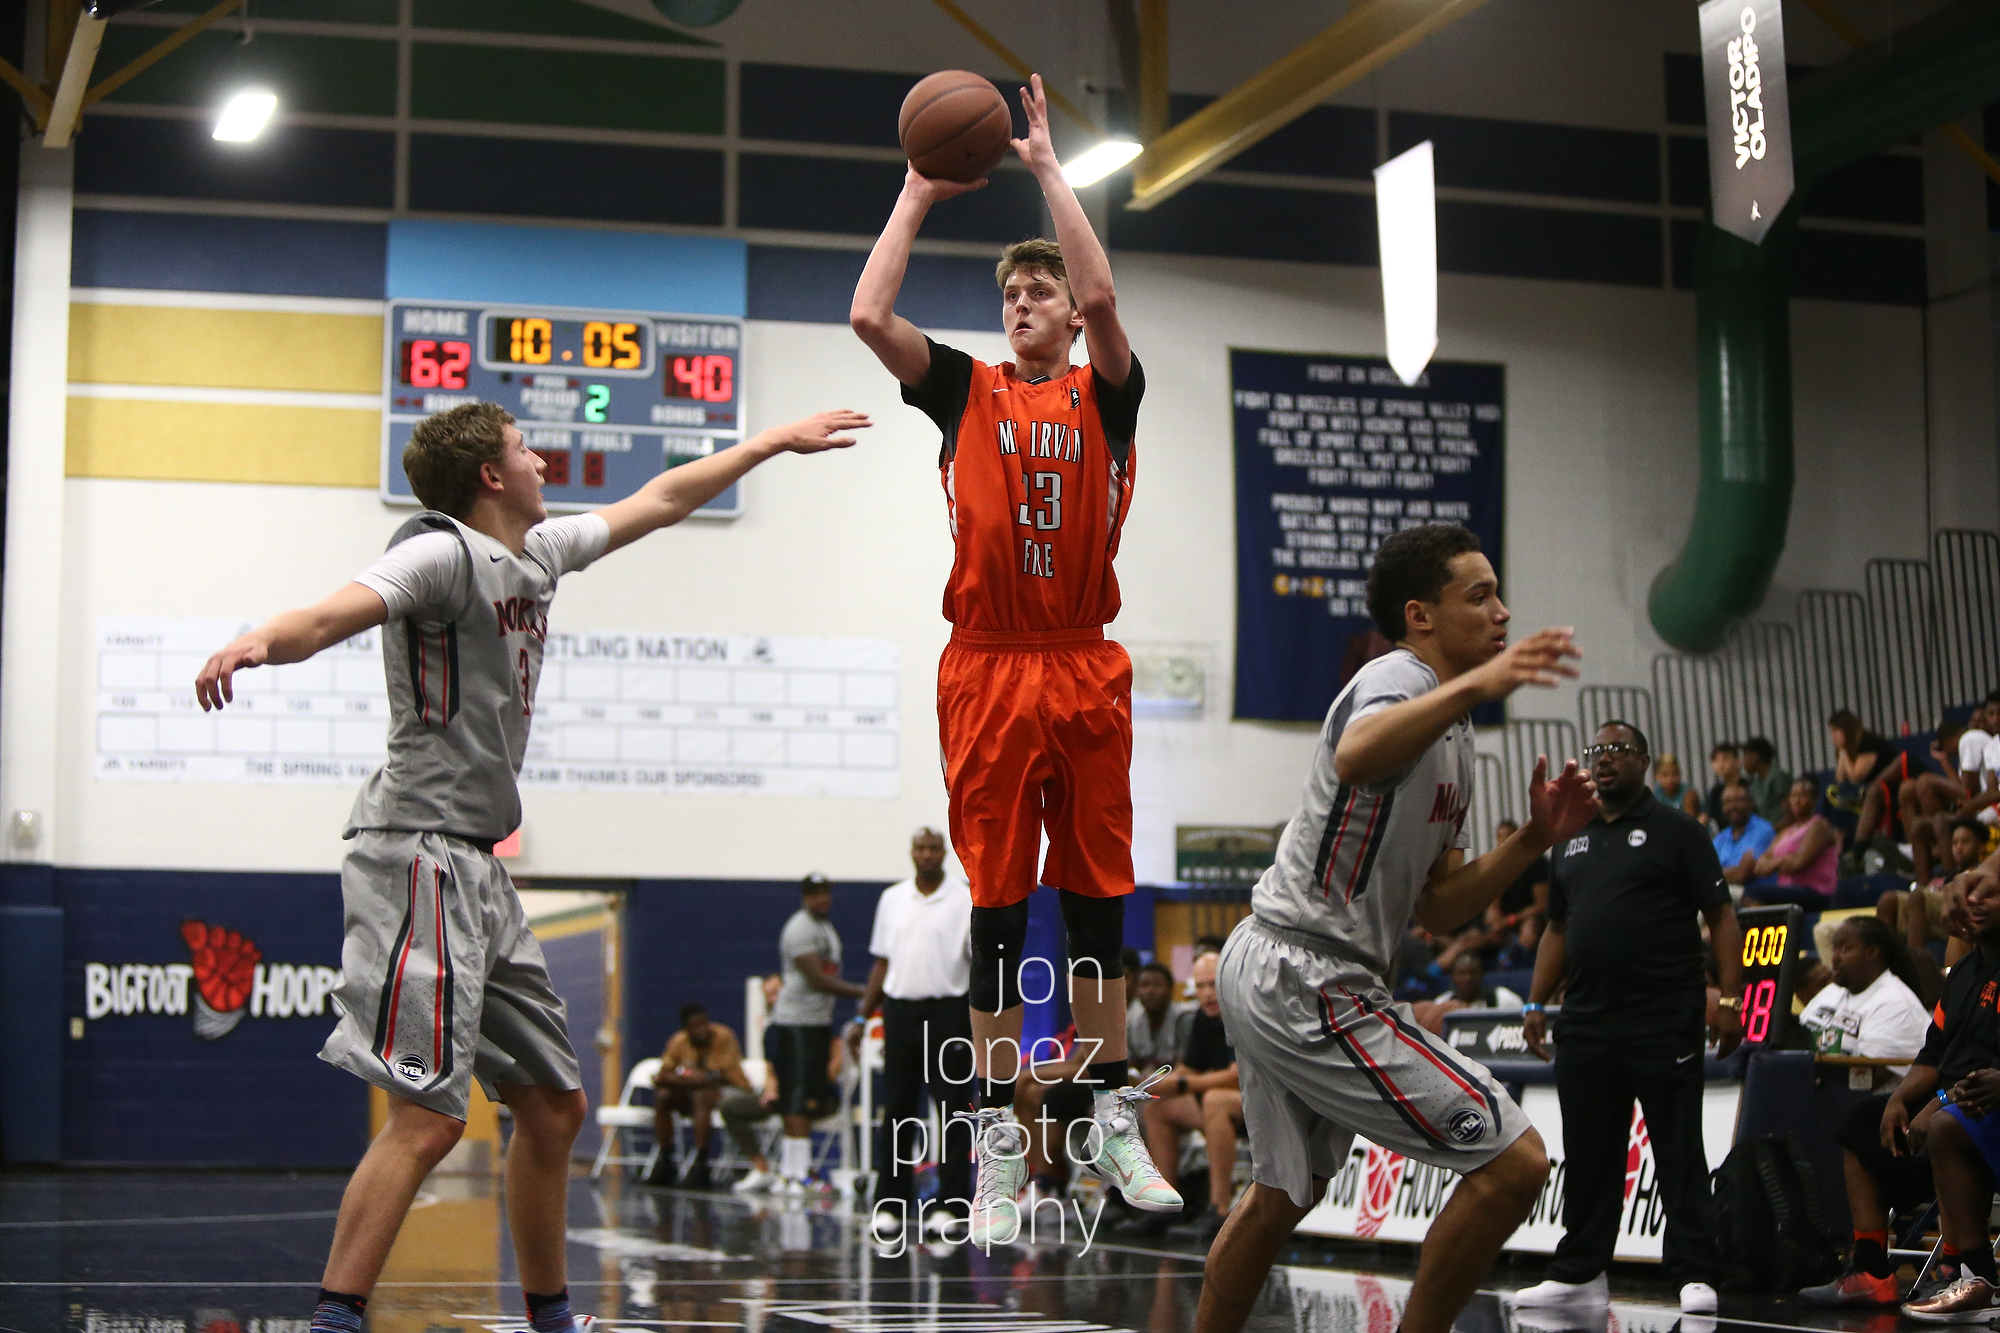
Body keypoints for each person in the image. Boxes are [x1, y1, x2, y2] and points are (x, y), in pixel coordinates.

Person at [191, 399, 864, 1333]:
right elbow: (332, 611)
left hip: (478, 863)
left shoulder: (540, 553)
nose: (540, 455)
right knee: (428, 1119)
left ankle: (552, 1318)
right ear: (491, 479)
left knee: (554, 1104)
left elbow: (662, 499)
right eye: (522, 447)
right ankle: (336, 1319)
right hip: (415, 850)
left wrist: (767, 442)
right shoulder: (439, 553)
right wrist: (263, 639)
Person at [850, 71, 1175, 1246]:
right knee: (997, 915)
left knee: (1095, 910)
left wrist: (1045, 166)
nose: (1028, 303)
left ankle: (1102, 1124)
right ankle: (996, 1141)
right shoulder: (965, 393)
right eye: (1016, 294)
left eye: (1041, 290)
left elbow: (1100, 288)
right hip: (987, 664)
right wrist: (915, 191)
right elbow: (866, 316)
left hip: (1083, 662)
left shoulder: (1110, 397)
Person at [1198, 522, 1598, 1333]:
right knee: (1515, 1162)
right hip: (1305, 972)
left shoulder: (1455, 737)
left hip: (1292, 966)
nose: (1502, 611)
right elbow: (1356, 753)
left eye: (1498, 593)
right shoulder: (1399, 676)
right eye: (1479, 594)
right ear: (1420, 615)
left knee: (1279, 1197)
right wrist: (1475, 688)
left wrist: (1529, 841)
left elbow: (1439, 907)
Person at [1515, 720, 1743, 1316]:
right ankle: (1580, 1271)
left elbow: (1721, 915)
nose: (1605, 759)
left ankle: (1694, 1270)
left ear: (1644, 761)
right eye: (1597, 751)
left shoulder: (1679, 831)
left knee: (1676, 1148)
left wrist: (1733, 998)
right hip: (1587, 1020)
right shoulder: (1572, 836)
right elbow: (1558, 928)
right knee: (1588, 1151)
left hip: (1664, 1017)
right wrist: (1537, 1001)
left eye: (1618, 750)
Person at [1850, 871, 2000, 1319]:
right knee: (1864, 1119)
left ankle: (1973, 1275)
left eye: (1990, 895)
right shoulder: (1962, 974)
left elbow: (1978, 1073)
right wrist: (1900, 1098)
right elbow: (1934, 1051)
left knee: (1950, 1122)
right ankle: (1871, 1272)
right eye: (1970, 895)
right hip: (1958, 1097)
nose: (1975, 902)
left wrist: (1940, 1101)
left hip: (1979, 1102)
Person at [851, 828, 975, 1240]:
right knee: (898, 1110)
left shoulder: (964, 898)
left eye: (934, 848)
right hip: (899, 1012)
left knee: (954, 1110)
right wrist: (861, 1016)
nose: (927, 854)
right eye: (920, 848)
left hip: (950, 1012)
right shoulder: (892, 899)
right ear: (911, 853)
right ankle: (891, 1203)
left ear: (944, 853)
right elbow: (881, 963)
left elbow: (979, 965)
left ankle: (952, 1204)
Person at [1123, 951, 1241, 1242]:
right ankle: (1163, 1205)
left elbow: (1238, 1076)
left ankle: (1219, 1209)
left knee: (1215, 1100)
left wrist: (1184, 1083)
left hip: (1263, 1104)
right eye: (1200, 986)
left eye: (1213, 984)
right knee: (1158, 1106)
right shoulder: (1204, 1016)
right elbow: (1188, 1069)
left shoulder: (1242, 1012)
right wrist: (1153, 1084)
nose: (1207, 994)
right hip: (1224, 1104)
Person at [766, 873, 864, 1194]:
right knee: (795, 1096)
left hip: (817, 1021)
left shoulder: (824, 927)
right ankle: (794, 1171)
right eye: (815, 894)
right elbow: (818, 979)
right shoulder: (800, 929)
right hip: (796, 1023)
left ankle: (795, 1169)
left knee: (809, 1096)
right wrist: (865, 992)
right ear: (805, 896)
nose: (822, 899)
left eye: (826, 893)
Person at [648, 1003, 762, 1189]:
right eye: (696, 1025)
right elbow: (665, 1073)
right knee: (664, 1096)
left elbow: (719, 1076)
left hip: (731, 1090)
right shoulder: (679, 1041)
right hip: (693, 1092)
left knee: (702, 1096)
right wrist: (684, 1078)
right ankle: (665, 1159)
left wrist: (690, 1077)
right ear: (687, 1029)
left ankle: (702, 1161)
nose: (702, 1029)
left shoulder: (723, 1036)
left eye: (704, 1023)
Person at [1745, 777, 1840, 910]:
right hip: (1787, 890)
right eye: (1793, 795)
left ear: (1814, 800)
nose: (1797, 800)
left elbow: (1798, 864)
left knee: (1753, 893)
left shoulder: (1819, 826)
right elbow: (1759, 867)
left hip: (1815, 891)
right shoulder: (1785, 832)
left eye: (1803, 795)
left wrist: (1775, 862)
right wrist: (1786, 860)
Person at [1413, 952, 1523, 1035]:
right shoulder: (1442, 1002)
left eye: (1472, 972)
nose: (1468, 978)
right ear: (1453, 977)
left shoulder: (1503, 998)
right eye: (1462, 973)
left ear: (1482, 974)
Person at [1484, 818, 1549, 956]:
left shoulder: (1536, 863)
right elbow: (1493, 904)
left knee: (1529, 927)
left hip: (1530, 917)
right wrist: (1495, 921)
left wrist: (1510, 920)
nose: (1503, 841)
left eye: (1508, 836)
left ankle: (1518, 958)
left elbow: (1541, 905)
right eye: (1499, 837)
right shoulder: (1496, 868)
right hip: (1506, 920)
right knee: (1481, 929)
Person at [1712, 783, 1776, 892]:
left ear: (1751, 803)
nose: (1733, 806)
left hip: (1755, 893)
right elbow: (1706, 873)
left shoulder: (1763, 830)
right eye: (1727, 802)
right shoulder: (1720, 838)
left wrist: (1716, 875)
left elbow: (1741, 875)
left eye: (1738, 800)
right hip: (1724, 892)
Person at [1742, 737, 1793, 827]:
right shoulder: (1755, 784)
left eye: (1745, 756)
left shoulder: (1777, 777)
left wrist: (1771, 831)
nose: (1743, 762)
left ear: (1755, 756)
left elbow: (1791, 814)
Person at [1651, 752, 1704, 820]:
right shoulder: (1653, 794)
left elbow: (1690, 823)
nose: (1670, 779)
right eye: (1665, 775)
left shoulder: (1689, 794)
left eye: (1675, 774)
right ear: (1657, 776)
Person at [1704, 742, 1743, 825]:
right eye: (1716, 760)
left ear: (1737, 762)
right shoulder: (1716, 791)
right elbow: (1706, 816)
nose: (1720, 764)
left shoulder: (1747, 787)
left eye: (1725, 759)